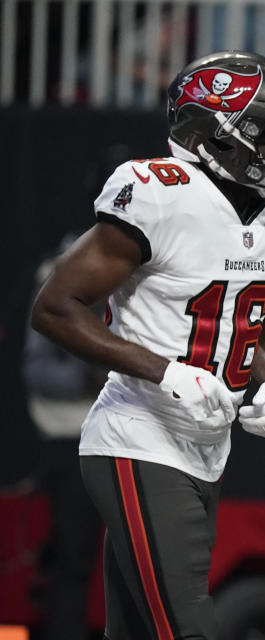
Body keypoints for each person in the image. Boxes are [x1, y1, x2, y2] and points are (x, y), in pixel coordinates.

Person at [29, 50, 265, 640]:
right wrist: (165, 372)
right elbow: (54, 308)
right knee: (187, 624)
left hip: (208, 446)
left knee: (136, 628)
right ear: (210, 137)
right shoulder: (159, 194)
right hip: (138, 433)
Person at [22, 233, 106, 640]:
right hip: (72, 438)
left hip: (131, 434)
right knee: (72, 560)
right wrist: (88, 376)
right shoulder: (60, 268)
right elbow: (36, 369)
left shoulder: (149, 264)